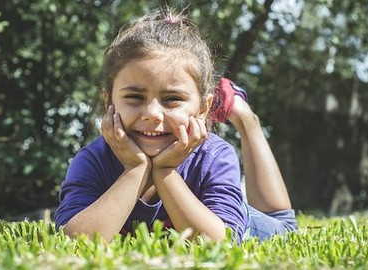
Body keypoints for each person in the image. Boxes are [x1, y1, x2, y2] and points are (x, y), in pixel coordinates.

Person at [54, 7, 297, 243]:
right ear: (109, 100)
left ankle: (243, 115)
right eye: (135, 97)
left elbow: (218, 244)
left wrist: (165, 171)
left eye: (172, 99)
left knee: (285, 225)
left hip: (250, 223)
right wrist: (135, 168)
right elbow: (72, 241)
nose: (152, 114)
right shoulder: (93, 159)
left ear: (203, 108)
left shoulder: (215, 156)